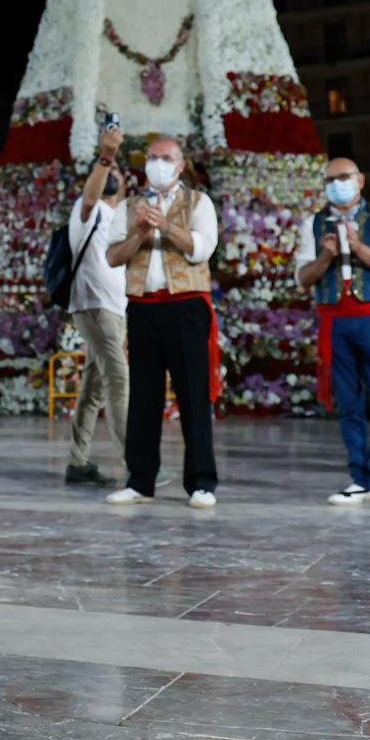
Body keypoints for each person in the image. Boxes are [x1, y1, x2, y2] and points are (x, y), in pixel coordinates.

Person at [102, 136, 220, 510]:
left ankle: (201, 482)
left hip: (186, 305)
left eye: (166, 158)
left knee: (192, 394)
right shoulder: (129, 207)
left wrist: (166, 227)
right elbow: (112, 256)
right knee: (144, 397)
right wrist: (140, 232)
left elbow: (202, 248)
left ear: (181, 165)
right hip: (143, 306)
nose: (158, 163)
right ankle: (140, 481)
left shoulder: (198, 202)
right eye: (152, 157)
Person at [294, 157, 370, 510]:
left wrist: (357, 247)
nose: (336, 185)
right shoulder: (313, 223)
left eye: (343, 177)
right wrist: (327, 256)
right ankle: (359, 480)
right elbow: (303, 278)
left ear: (359, 179)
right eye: (329, 180)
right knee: (348, 404)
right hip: (335, 319)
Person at [64, 122, 132, 487]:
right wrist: (106, 156)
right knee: (119, 381)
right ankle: (136, 464)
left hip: (112, 311)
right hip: (94, 306)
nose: (110, 174)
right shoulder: (87, 209)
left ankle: (78, 462)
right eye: (105, 170)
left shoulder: (119, 217)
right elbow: (91, 196)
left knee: (93, 389)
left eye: (115, 171)